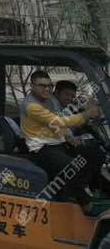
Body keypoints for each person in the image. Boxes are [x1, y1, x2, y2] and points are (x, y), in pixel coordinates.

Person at [20, 70, 102, 209]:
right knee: (72, 167)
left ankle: (88, 188)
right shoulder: (32, 106)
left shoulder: (48, 101)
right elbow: (58, 122)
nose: (46, 89)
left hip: (57, 143)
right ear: (32, 86)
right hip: (41, 148)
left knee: (94, 153)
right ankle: (82, 200)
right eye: (41, 85)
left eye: (49, 85)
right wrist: (86, 115)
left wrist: (69, 136)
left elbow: (60, 120)